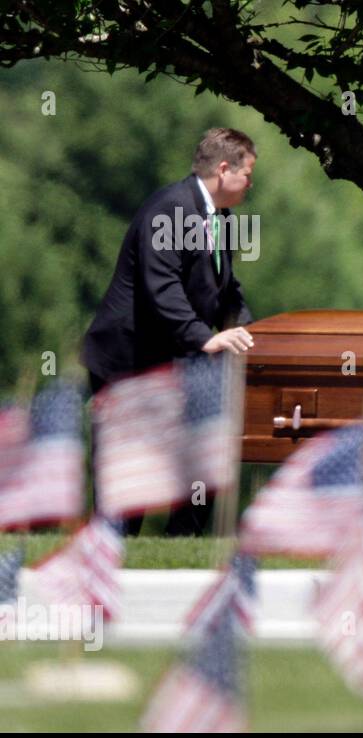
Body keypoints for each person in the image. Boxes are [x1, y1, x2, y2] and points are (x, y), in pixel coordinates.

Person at [81, 127, 259, 535]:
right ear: (224, 168)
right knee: (131, 480)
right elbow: (161, 287)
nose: (251, 184)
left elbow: (226, 289)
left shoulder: (220, 218)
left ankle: (181, 546)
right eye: (248, 174)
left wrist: (251, 331)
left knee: (203, 458)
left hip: (174, 358)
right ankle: (112, 556)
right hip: (130, 360)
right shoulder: (171, 209)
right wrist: (205, 337)